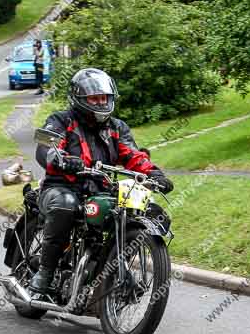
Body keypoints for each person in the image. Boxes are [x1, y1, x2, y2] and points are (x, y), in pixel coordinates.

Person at [31, 68, 174, 294]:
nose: (100, 103)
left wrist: (153, 173)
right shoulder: (62, 120)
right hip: (62, 187)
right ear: (79, 99)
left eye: (104, 98)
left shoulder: (117, 128)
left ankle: (106, 270)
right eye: (94, 99)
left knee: (134, 211)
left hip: (101, 189)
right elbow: (46, 148)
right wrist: (62, 160)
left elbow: (132, 155)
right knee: (65, 206)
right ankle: (45, 271)